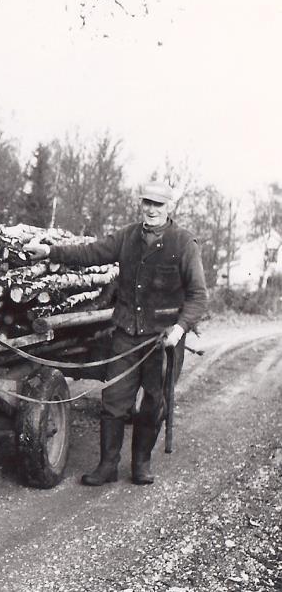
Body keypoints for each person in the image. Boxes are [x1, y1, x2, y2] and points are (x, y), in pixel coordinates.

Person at [25, 181, 207, 486]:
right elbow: (91, 253)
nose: (151, 210)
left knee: (153, 403)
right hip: (125, 334)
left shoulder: (184, 243)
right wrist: (49, 251)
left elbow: (198, 296)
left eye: (157, 205)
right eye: (147, 203)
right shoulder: (128, 236)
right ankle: (107, 466)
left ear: (169, 208)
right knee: (113, 402)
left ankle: (141, 463)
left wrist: (179, 328)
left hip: (162, 340)